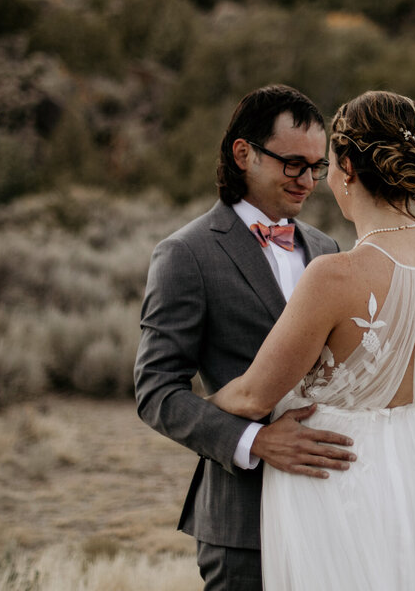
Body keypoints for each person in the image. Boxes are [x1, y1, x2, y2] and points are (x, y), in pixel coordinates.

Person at [209, 90, 415, 591]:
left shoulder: (335, 275)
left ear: (347, 166)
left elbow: (251, 397)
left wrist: (205, 399)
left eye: (328, 160)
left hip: (329, 489)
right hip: (408, 483)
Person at [135, 84, 358, 591]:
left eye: (317, 167)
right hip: (243, 522)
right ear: (244, 154)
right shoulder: (185, 254)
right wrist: (255, 441)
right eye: (292, 164)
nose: (308, 181)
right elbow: (156, 393)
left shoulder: (327, 249)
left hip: (330, 511)